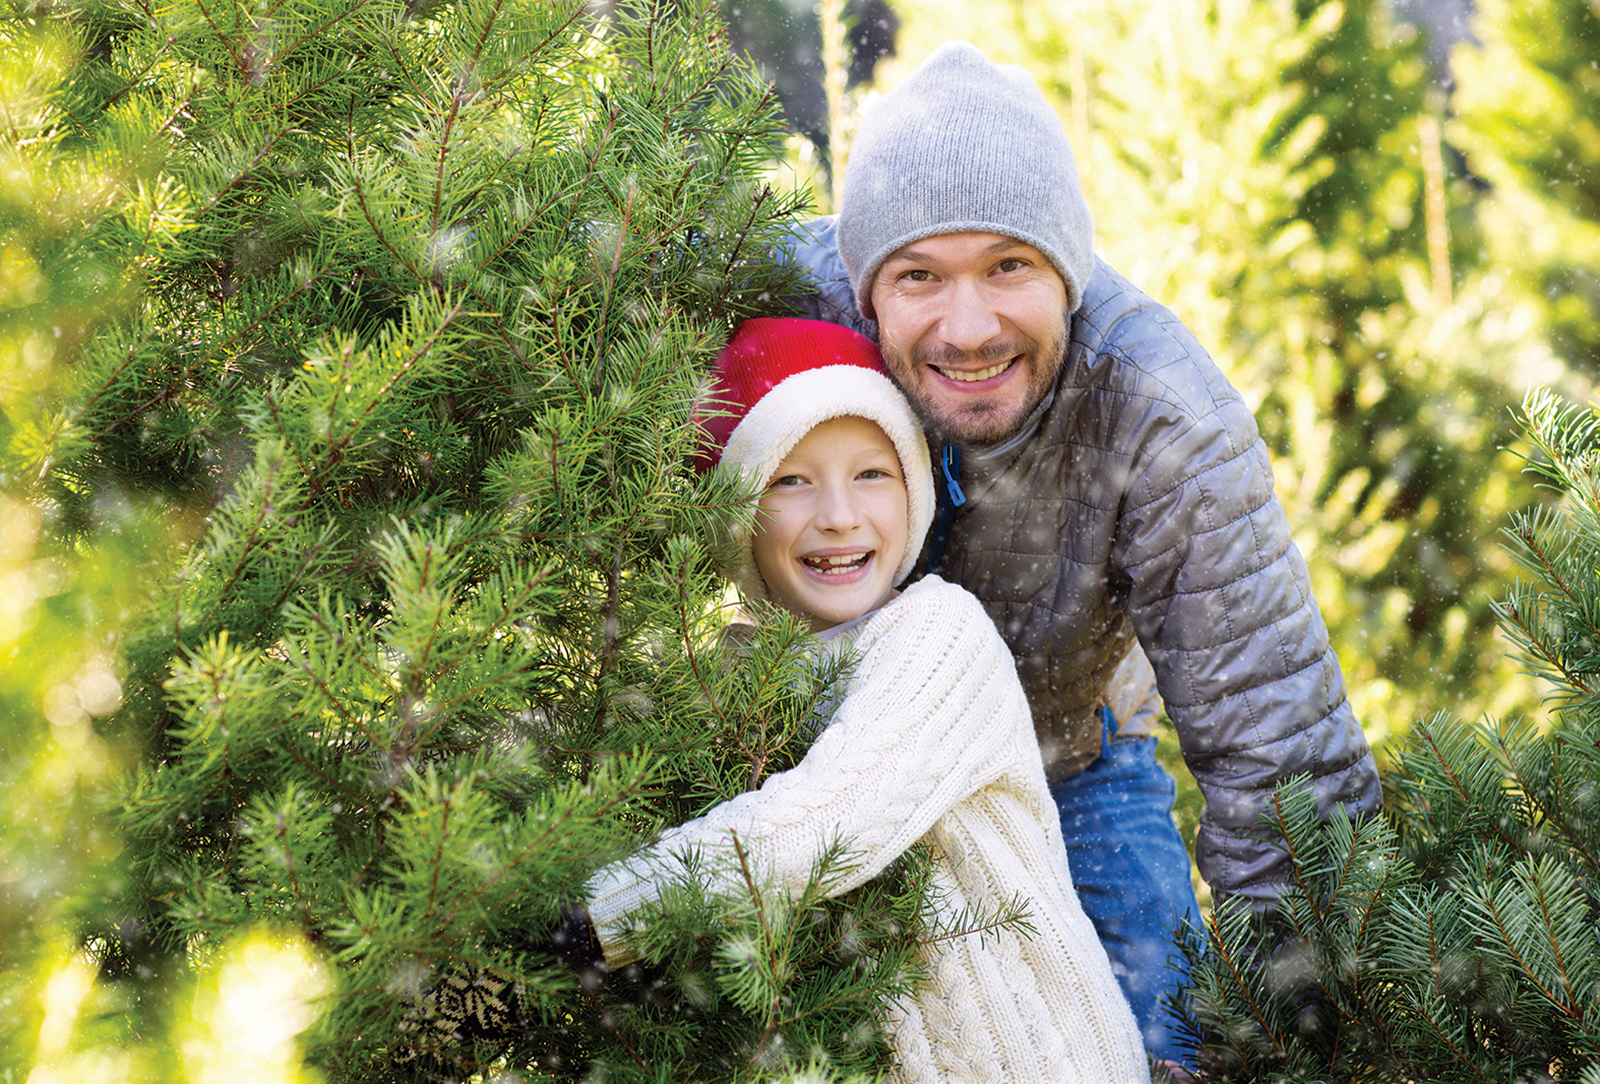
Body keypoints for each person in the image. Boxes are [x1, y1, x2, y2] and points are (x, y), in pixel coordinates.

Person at [785, 40, 1382, 1063]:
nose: (967, 325)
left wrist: (1309, 1019)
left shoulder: (1162, 413)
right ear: (862, 288)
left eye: (1008, 266)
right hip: (817, 772)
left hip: (1072, 757)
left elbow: (1276, 751)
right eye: (920, 275)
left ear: (1066, 272)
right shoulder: (783, 315)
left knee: (1158, 1039)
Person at [580, 316, 1152, 1083]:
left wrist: (603, 914)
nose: (840, 514)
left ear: (915, 490)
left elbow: (826, 821)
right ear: (737, 516)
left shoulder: (939, 634)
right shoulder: (733, 681)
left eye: (872, 474)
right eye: (790, 480)